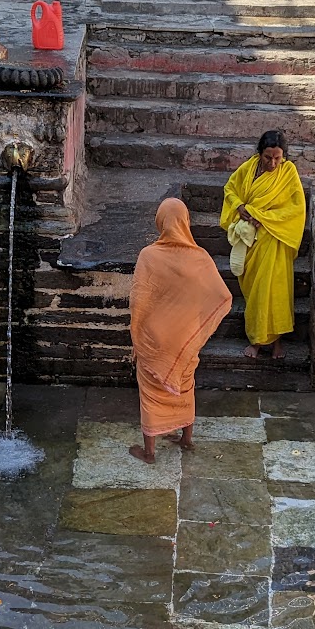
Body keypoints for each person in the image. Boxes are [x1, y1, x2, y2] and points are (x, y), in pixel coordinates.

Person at [128, 197, 232, 464]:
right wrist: (196, 326)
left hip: (155, 338)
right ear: (186, 221)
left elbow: (139, 301)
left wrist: (137, 336)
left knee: (151, 392)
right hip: (185, 337)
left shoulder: (148, 255)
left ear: (160, 221)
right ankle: (186, 439)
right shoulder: (200, 257)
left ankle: (149, 452)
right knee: (185, 385)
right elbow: (221, 295)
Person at [221, 130, 307, 361]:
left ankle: (271, 343)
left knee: (273, 292)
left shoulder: (288, 172)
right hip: (251, 242)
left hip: (274, 239)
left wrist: (264, 217)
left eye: (278, 158)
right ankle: (258, 340)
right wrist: (240, 206)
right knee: (255, 293)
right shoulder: (248, 169)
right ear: (260, 154)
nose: (273, 163)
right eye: (268, 157)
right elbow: (229, 189)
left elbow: (296, 209)